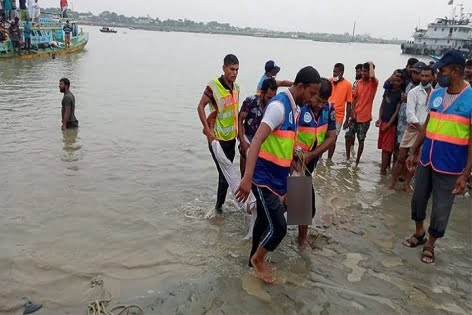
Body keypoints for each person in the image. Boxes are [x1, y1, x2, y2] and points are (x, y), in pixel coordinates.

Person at [235, 66, 321, 284]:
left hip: (277, 179)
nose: (312, 99)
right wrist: (247, 177)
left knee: (264, 223)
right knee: (280, 228)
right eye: (311, 93)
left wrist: (294, 157)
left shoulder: (296, 110)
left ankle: (251, 262)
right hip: (262, 178)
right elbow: (256, 141)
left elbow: (283, 142)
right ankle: (258, 260)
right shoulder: (278, 106)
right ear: (300, 87)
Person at [403, 49, 472, 264]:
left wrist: (465, 175)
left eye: (441, 70)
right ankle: (419, 233)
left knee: (442, 206)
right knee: (418, 199)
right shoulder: (436, 94)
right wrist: (414, 150)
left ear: (456, 71)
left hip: (451, 165)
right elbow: (427, 125)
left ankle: (431, 243)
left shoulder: (470, 99)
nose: (437, 73)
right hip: (427, 158)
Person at [294, 78, 336, 246]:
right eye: (317, 100)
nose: (319, 105)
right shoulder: (300, 107)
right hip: (294, 160)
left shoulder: (329, 109)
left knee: (303, 204)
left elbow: (331, 136)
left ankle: (300, 238)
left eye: (323, 102)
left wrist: (312, 154)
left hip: (310, 160)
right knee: (303, 203)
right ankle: (301, 241)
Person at [197, 54, 240, 214]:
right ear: (224, 68)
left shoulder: (236, 88)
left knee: (226, 176)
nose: (234, 73)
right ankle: (218, 210)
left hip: (231, 140)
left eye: (237, 70)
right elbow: (200, 106)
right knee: (224, 175)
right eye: (231, 69)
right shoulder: (213, 86)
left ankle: (219, 207)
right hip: (217, 140)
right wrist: (208, 132)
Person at [390, 66, 434, 191]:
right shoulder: (413, 92)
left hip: (426, 130)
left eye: (427, 76)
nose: (424, 78)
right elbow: (410, 114)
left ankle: (406, 184)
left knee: (415, 160)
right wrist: (421, 129)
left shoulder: (436, 94)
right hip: (412, 128)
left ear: (432, 77)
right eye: (422, 75)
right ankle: (392, 182)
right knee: (401, 157)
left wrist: (425, 130)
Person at [238, 78, 277, 176]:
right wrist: (242, 141)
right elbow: (240, 120)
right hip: (248, 141)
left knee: (259, 176)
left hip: (264, 146)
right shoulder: (250, 101)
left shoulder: (275, 106)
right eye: (269, 97)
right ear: (262, 93)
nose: (270, 101)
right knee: (244, 172)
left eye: (273, 97)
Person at [345, 61, 378, 166]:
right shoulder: (358, 83)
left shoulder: (373, 83)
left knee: (361, 140)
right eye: (362, 71)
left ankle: (357, 161)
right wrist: (352, 112)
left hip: (365, 117)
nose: (363, 73)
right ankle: (348, 158)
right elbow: (354, 99)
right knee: (348, 136)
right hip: (355, 115)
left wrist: (371, 63)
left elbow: (372, 76)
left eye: (365, 71)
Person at [376, 70, 403, 175]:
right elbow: (382, 105)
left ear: (401, 82)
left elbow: (397, 111)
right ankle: (384, 169)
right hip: (383, 121)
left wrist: (388, 124)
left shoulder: (400, 94)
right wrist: (379, 119)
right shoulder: (387, 90)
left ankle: (383, 171)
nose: (395, 82)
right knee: (383, 147)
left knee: (386, 149)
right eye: (394, 80)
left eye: (398, 81)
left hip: (391, 125)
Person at [327, 63, 352, 160]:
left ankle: (329, 159)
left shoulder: (348, 85)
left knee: (333, 139)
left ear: (341, 73)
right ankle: (319, 158)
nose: (334, 74)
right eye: (333, 71)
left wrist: (347, 120)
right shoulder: (329, 81)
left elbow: (349, 103)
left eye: (336, 72)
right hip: (326, 113)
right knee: (322, 138)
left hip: (338, 116)